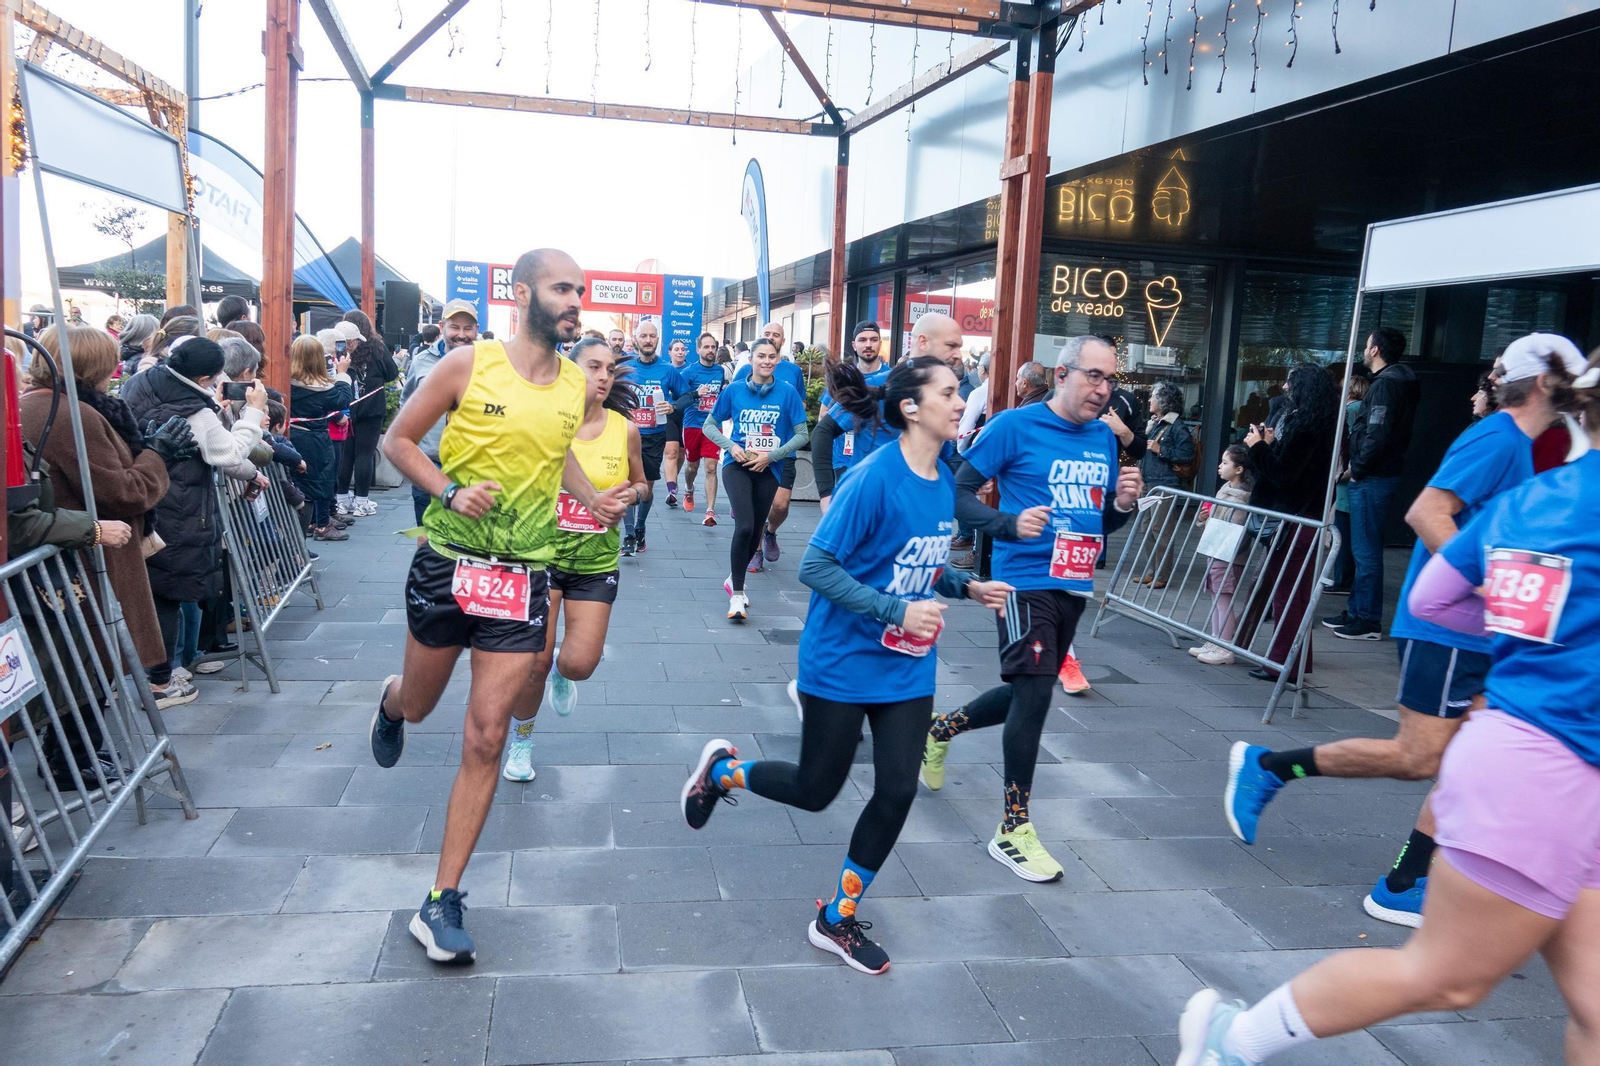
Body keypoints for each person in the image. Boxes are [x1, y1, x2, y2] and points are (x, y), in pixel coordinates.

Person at [1176, 349, 1600, 1066]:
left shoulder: (1541, 489)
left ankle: (1295, 789)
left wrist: (1529, 626)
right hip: (1542, 761)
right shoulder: (1502, 443)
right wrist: (1526, 627)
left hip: (1539, 745)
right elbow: (1426, 517)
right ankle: (1234, 1035)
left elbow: (1439, 589)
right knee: (1445, 966)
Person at [1225, 335, 1588, 925]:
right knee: (1418, 757)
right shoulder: (1498, 438)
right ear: (1545, 382)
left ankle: (1405, 880)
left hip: (1481, 632)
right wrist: (1493, 585)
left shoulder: (1523, 442)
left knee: (1471, 760)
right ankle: (1270, 769)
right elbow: (1426, 512)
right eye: (1572, 379)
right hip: (1448, 629)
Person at [680, 356, 1012, 974]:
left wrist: (967, 586)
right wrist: (895, 609)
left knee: (897, 789)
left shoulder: (943, 477)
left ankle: (837, 917)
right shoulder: (873, 479)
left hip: (907, 666)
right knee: (816, 791)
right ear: (911, 407)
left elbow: (917, 558)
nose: (960, 400)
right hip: (842, 659)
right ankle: (723, 773)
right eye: (948, 392)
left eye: (958, 391)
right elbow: (816, 566)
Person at [372, 249, 629, 964]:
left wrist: (590, 498)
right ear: (522, 294)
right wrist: (449, 491)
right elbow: (398, 441)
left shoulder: (575, 382)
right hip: (448, 564)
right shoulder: (468, 365)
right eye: (561, 288)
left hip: (523, 577)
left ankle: (442, 898)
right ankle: (390, 702)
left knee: (486, 735)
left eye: (580, 289)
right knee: (421, 705)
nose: (574, 300)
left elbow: (558, 453)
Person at [920, 337, 1144, 881]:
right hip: (1023, 581)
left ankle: (941, 729)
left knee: (1030, 686)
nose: (1103, 389)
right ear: (1062, 375)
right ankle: (1013, 828)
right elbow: (958, 491)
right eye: (1093, 376)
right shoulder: (1013, 426)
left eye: (1111, 379)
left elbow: (1099, 521)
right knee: (1037, 693)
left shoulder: (1102, 437)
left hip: (1075, 581)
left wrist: (1121, 505)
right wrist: (1007, 524)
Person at [502, 337, 646, 781]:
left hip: (595, 564)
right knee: (534, 663)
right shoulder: (544, 424)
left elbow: (643, 483)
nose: (603, 376)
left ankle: (562, 675)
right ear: (569, 370)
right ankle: (521, 743)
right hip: (541, 559)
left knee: (578, 665)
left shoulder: (625, 429)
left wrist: (630, 495)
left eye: (610, 369)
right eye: (593, 367)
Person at [21, 325, 181, 702]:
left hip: (61, 553)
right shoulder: (71, 416)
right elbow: (122, 493)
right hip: (87, 558)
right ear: (95, 367)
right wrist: (157, 455)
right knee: (87, 676)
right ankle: (84, 737)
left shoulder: (31, 405)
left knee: (72, 675)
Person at [123, 336, 268, 703]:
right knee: (170, 592)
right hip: (179, 505)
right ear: (204, 378)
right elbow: (229, 453)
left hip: (144, 494)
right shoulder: (195, 412)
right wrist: (253, 413)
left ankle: (159, 670)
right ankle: (162, 679)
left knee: (151, 590)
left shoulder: (141, 383)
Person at [1231, 363, 1339, 685]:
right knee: (1297, 595)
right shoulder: (1319, 423)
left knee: (1288, 595)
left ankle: (1281, 664)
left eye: (1291, 383)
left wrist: (1258, 447)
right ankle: (1295, 662)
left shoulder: (1307, 428)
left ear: (1303, 388)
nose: (1285, 388)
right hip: (1303, 518)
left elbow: (1283, 474)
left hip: (1294, 519)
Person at [703, 337, 809, 620]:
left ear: (778, 359)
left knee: (757, 529)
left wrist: (772, 456)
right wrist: (731, 447)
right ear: (750, 360)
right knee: (745, 525)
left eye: (772, 356)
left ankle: (734, 577)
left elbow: (802, 434)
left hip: (769, 468)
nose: (766, 361)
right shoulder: (735, 390)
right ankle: (737, 595)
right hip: (737, 466)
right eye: (761, 356)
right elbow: (709, 426)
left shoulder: (787, 392)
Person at [1329, 327, 1418, 640]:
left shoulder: (1386, 385)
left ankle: (1366, 619)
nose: (1364, 351)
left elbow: (1377, 433)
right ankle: (1357, 610)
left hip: (1373, 477)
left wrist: (1359, 467)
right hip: (1376, 475)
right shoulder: (1395, 382)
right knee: (1363, 549)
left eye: (1367, 346)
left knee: (1365, 551)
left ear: (1375, 350)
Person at [731, 322, 807, 572]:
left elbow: (801, 406)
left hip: (784, 449)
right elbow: (735, 402)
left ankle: (770, 532)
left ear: (783, 341)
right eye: (767, 334)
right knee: (756, 506)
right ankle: (756, 552)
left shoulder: (793, 372)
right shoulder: (747, 370)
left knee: (781, 505)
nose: (771, 337)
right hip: (752, 449)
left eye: (776, 335)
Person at [401, 300, 479, 524]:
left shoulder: (487, 363)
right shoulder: (422, 361)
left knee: (466, 539)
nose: (461, 335)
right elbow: (407, 404)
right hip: (429, 467)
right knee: (428, 537)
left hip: (472, 470)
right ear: (442, 326)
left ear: (476, 330)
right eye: (455, 327)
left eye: (468, 328)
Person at [616, 320, 682, 555]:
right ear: (635, 339)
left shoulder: (668, 370)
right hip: (627, 434)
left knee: (646, 486)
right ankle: (629, 534)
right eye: (643, 336)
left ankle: (640, 527)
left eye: (652, 336)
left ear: (657, 340)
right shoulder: (624, 368)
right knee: (626, 482)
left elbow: (686, 396)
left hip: (654, 436)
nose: (647, 340)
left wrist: (672, 407)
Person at [1188, 443, 1254, 666]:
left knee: (1223, 599)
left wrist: (1210, 520)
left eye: (1225, 462)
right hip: (1216, 550)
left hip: (1227, 555)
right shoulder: (1225, 490)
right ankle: (1216, 640)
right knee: (1217, 597)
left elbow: (1234, 530)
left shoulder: (1241, 498)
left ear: (1239, 469)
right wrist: (1204, 517)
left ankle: (1225, 645)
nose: (1220, 466)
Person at [289, 335, 354, 541]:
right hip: (316, 437)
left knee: (300, 480)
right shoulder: (322, 389)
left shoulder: (287, 384)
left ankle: (311, 521)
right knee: (323, 479)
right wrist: (342, 374)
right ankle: (322, 525)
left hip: (293, 434)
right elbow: (343, 399)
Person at [811, 361, 900, 514]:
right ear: (854, 347)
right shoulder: (878, 382)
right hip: (848, 462)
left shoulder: (894, 377)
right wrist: (826, 494)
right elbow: (823, 423)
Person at [335, 310, 399, 518]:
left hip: (345, 406)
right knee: (365, 454)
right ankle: (362, 501)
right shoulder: (377, 347)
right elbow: (392, 373)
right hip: (372, 407)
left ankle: (341, 499)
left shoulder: (338, 348)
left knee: (346, 454)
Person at [1135, 381, 1197, 589]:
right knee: (1147, 528)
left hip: (1165, 484)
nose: (1150, 400)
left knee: (1160, 530)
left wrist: (1160, 450)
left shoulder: (1177, 426)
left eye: (1153, 396)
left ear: (1163, 401)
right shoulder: (1159, 423)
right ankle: (1152, 571)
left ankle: (1161, 574)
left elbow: (1187, 455)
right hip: (1150, 482)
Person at [676, 332, 729, 524]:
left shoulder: (720, 371)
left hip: (713, 425)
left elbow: (722, 393)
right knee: (692, 466)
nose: (710, 350)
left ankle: (710, 511)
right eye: (706, 347)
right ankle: (689, 489)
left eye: (713, 347)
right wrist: (696, 393)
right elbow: (678, 398)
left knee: (711, 468)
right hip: (692, 424)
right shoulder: (689, 372)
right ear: (698, 349)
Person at [1327, 371, 1369, 595]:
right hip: (1354, 480)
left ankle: (1342, 580)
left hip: (1346, 481)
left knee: (1343, 533)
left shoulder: (1350, 410)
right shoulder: (1362, 408)